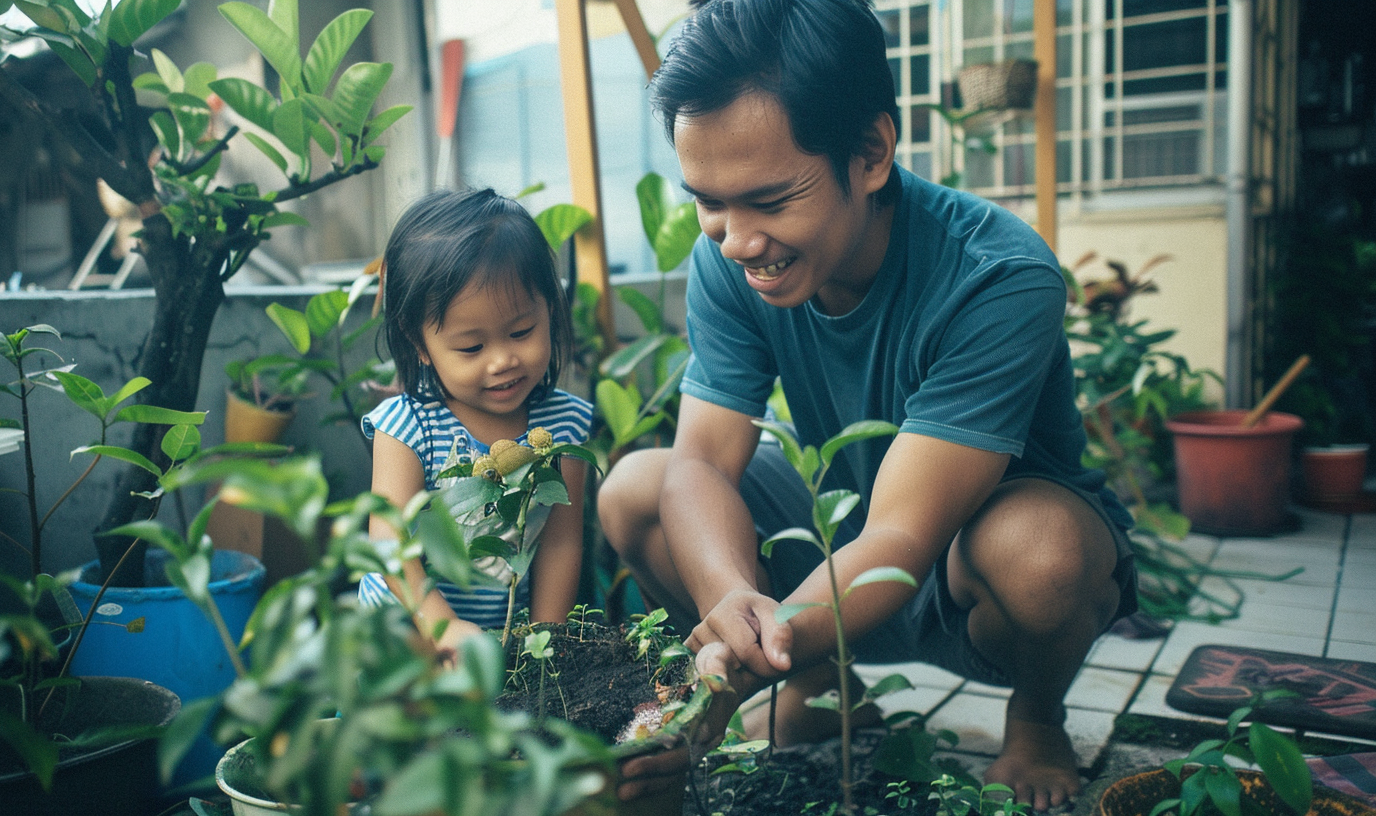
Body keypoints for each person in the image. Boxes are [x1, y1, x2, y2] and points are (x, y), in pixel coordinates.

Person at [597, 0, 1139, 809]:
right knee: (637, 488)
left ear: (872, 152)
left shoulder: (997, 275)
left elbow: (900, 534)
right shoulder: (733, 256)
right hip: (836, 532)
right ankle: (817, 689)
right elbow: (703, 461)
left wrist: (752, 649)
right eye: (709, 200)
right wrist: (731, 607)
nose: (737, 238)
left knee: (1044, 554)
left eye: (769, 201)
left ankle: (1036, 718)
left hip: (966, 564)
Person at [358, 188, 591, 658]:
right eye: (471, 348)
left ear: (550, 308)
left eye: (521, 332)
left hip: (500, 633)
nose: (503, 360)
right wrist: (441, 628)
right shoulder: (408, 428)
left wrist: (544, 645)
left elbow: (561, 544)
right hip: (408, 625)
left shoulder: (562, 425)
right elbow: (387, 539)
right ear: (419, 343)